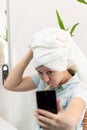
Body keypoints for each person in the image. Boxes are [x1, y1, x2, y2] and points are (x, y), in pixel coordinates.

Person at [4, 27, 87, 130]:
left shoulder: (79, 89)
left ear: (63, 65)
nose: (46, 79)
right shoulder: (42, 81)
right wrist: (32, 49)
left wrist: (67, 122)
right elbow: (10, 85)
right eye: (40, 72)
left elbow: (72, 117)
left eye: (50, 72)